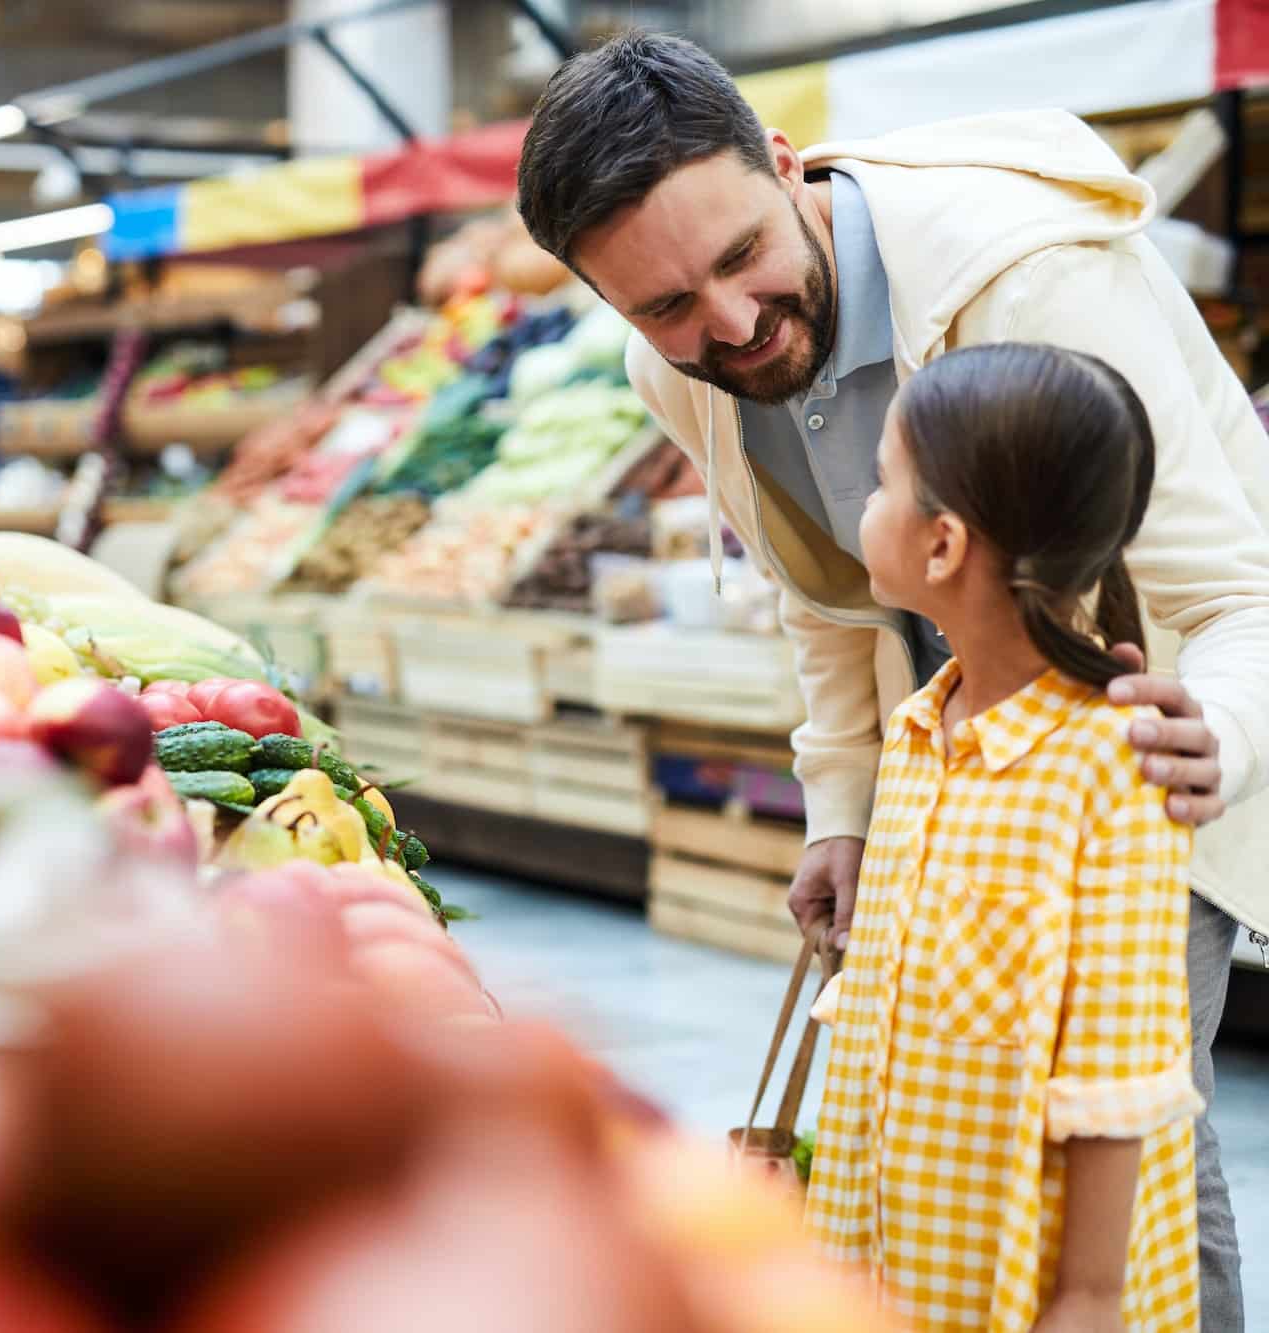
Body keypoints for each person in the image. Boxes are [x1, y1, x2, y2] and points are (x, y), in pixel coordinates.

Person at [516, 33, 1269, 1325]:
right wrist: (843, 816)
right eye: (665, 307)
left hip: (1145, 749)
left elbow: (1236, 586)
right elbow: (820, 598)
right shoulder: (675, 370)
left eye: (741, 257)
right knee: (948, 1094)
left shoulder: (1029, 282)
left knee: (1129, 1130)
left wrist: (1220, 737)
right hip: (949, 751)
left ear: (783, 162)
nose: (733, 328)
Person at [804, 344, 1198, 1330]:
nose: (864, 502)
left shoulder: (1111, 764)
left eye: (884, 480)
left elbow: (1123, 1066)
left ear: (940, 546)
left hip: (1021, 1280)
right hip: (889, 1243)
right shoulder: (916, 731)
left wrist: (1087, 1298)